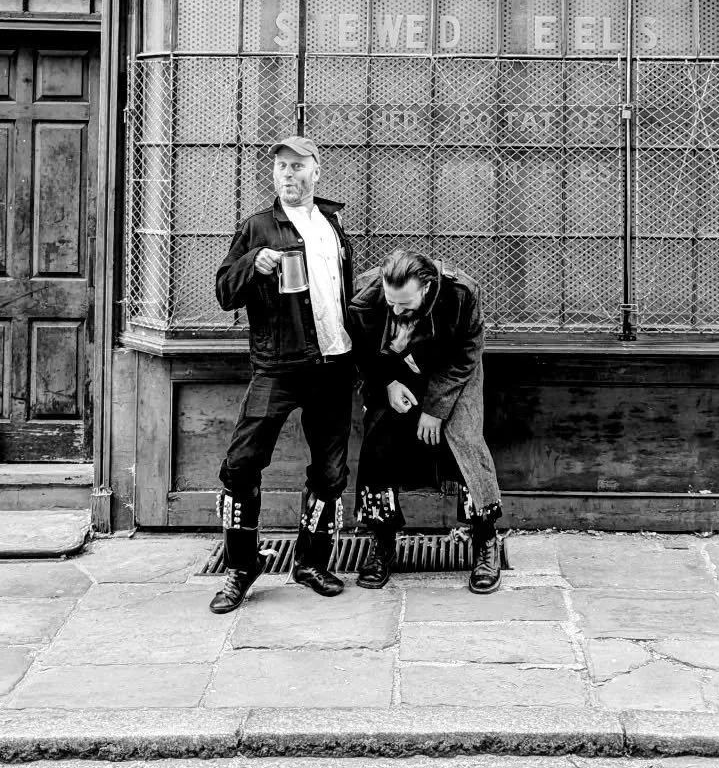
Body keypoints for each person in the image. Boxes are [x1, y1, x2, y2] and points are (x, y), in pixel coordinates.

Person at [209, 136, 356, 614]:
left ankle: (311, 563)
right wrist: (255, 263)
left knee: (331, 473)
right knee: (240, 467)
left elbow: (341, 294)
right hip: (278, 369)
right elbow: (225, 293)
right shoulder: (258, 227)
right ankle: (240, 566)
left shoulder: (332, 225)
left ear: (317, 171)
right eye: (280, 168)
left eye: (297, 166)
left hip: (333, 366)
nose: (287, 175)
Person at [348, 248, 504, 594]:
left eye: (405, 304)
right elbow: (358, 350)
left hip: (452, 377)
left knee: (464, 442)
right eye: (391, 303)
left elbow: (468, 353)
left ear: (427, 287)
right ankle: (383, 540)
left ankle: (485, 540)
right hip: (395, 375)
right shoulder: (366, 292)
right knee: (378, 443)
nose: (396, 310)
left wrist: (434, 410)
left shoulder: (461, 292)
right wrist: (387, 382)